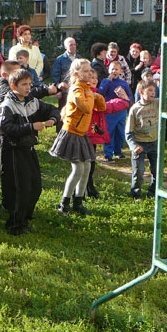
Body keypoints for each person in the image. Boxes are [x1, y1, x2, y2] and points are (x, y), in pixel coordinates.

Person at [0, 69, 59, 234]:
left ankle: (25, 218)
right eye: (24, 84)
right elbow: (7, 127)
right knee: (20, 189)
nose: (28, 87)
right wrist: (31, 127)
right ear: (13, 86)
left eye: (29, 84)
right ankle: (15, 225)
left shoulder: (32, 101)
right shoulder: (7, 105)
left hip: (28, 148)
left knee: (35, 187)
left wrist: (53, 119)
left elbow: (52, 109)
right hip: (14, 150)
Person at [51, 59, 104, 216]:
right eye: (86, 71)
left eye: (90, 71)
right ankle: (64, 203)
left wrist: (96, 96)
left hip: (81, 133)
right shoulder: (76, 90)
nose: (90, 73)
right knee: (78, 168)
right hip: (72, 133)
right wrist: (90, 95)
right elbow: (87, 108)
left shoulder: (86, 89)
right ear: (76, 73)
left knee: (86, 167)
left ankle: (78, 202)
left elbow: (102, 107)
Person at [85, 69, 130, 199]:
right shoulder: (88, 94)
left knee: (90, 162)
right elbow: (105, 107)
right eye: (90, 77)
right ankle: (85, 190)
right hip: (86, 133)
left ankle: (88, 188)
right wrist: (123, 101)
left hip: (91, 133)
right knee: (87, 163)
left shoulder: (94, 93)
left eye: (95, 77)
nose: (94, 80)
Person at [126, 79, 159, 199]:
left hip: (154, 142)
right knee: (139, 171)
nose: (152, 93)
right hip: (140, 144)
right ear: (141, 91)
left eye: (154, 90)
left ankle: (153, 192)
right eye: (149, 90)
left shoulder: (156, 103)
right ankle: (136, 194)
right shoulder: (135, 109)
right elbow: (128, 132)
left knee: (156, 170)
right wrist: (134, 146)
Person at [99, 61, 133, 162]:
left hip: (121, 111)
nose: (114, 71)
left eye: (116, 69)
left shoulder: (123, 83)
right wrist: (107, 81)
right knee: (109, 131)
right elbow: (101, 92)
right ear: (108, 70)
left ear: (121, 71)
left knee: (120, 132)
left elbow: (129, 97)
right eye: (112, 69)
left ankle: (118, 151)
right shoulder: (106, 81)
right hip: (109, 111)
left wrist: (125, 98)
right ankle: (108, 153)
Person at [52, 37, 79, 129]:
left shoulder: (79, 58)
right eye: (70, 44)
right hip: (64, 92)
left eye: (74, 44)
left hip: (77, 90)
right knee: (63, 112)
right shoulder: (60, 59)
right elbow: (56, 75)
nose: (73, 46)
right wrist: (58, 90)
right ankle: (60, 132)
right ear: (65, 46)